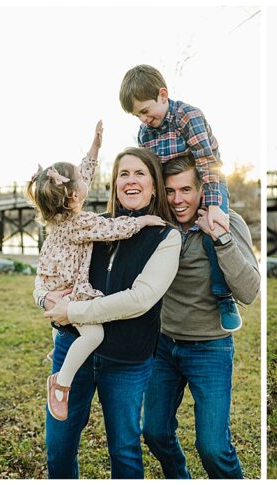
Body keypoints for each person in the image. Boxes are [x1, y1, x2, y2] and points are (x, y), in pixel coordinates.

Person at [40, 147, 181, 478]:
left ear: (154, 184)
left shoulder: (164, 234)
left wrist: (73, 309)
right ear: (114, 182)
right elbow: (48, 265)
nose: (130, 181)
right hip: (73, 349)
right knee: (59, 448)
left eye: (139, 174)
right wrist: (44, 299)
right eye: (123, 174)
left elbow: (139, 299)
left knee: (124, 450)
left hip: (127, 360)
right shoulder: (93, 225)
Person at [28, 121, 166, 423]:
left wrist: (95, 147)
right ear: (75, 196)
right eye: (80, 179)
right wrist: (142, 222)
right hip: (69, 286)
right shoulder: (80, 224)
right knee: (94, 333)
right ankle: (60, 384)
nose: (85, 176)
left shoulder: (61, 215)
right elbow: (112, 227)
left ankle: (66, 351)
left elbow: (81, 174)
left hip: (55, 281)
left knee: (81, 328)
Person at [142, 156, 259, 479]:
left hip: (210, 348)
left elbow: (249, 292)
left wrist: (220, 239)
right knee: (153, 432)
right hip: (163, 346)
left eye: (186, 190)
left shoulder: (228, 222)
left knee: (213, 448)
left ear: (202, 189)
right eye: (169, 191)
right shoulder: (158, 226)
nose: (178, 200)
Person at [119, 64, 242, 332]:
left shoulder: (188, 117)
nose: (143, 120)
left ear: (163, 95)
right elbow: (150, 173)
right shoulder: (145, 133)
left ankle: (223, 296)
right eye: (136, 115)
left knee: (212, 226)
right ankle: (142, 288)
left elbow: (208, 163)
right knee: (148, 227)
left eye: (145, 111)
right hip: (169, 189)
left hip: (206, 180)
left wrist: (212, 205)